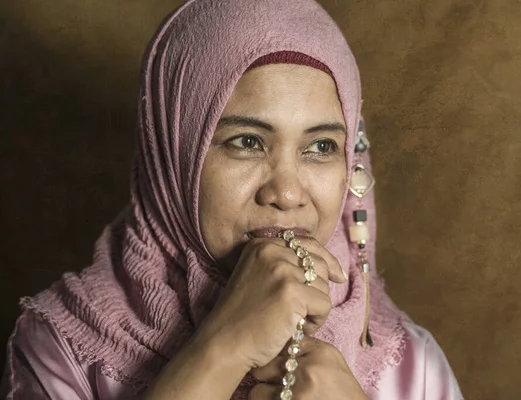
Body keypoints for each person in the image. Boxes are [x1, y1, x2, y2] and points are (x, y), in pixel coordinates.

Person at [1, 0, 464, 399]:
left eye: (320, 147)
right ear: (173, 155)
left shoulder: (411, 367)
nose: (286, 193)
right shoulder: (64, 346)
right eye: (247, 141)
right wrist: (219, 352)